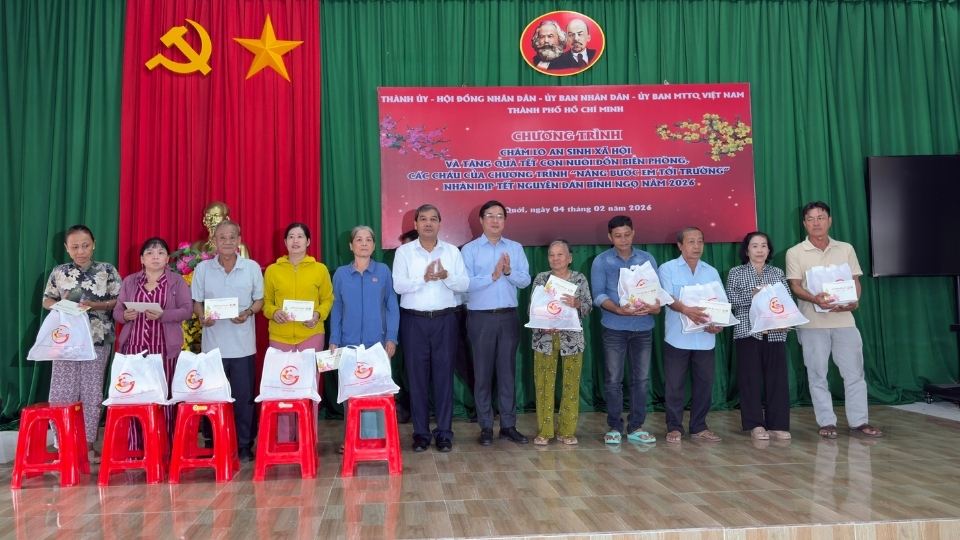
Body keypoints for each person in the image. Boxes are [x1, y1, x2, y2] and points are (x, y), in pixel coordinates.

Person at [785, 201, 882, 439]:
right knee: (817, 374)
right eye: (810, 219)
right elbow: (795, 286)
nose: (816, 223)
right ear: (804, 223)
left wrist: (854, 301)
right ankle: (826, 422)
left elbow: (855, 281)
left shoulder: (845, 248)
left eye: (821, 217)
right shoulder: (795, 252)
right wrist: (815, 299)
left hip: (844, 321)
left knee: (855, 374)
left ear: (829, 220)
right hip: (812, 323)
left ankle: (859, 422)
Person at [41, 224, 122, 459]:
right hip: (65, 340)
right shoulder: (59, 272)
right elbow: (47, 300)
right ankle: (62, 443)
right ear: (67, 248)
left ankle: (87, 444)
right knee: (61, 391)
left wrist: (95, 305)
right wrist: (62, 306)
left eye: (85, 245)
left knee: (92, 391)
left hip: (97, 337)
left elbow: (119, 300)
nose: (80, 251)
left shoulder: (107, 270)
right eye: (75, 247)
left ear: (93, 245)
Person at [393, 205, 468, 452]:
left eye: (433, 219)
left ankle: (444, 433)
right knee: (416, 379)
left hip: (445, 321)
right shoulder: (404, 252)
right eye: (423, 219)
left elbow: (464, 284)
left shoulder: (452, 252)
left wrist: (446, 276)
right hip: (414, 322)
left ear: (439, 224)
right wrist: (422, 279)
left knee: (444, 378)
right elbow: (398, 286)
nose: (428, 223)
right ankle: (421, 434)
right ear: (415, 224)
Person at [191, 220, 264, 461]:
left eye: (232, 237)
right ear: (214, 241)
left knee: (244, 399)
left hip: (243, 346)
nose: (227, 242)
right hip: (213, 348)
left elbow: (259, 300)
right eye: (222, 237)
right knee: (213, 397)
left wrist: (248, 312)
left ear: (239, 240)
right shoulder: (203, 269)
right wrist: (202, 316)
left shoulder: (251, 267)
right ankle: (214, 443)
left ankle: (244, 445)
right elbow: (197, 302)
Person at [461, 200, 532, 446]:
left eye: (500, 216)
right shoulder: (469, 250)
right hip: (480, 318)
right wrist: (491, 277)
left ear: (505, 221)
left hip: (508, 317)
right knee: (482, 374)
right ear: (481, 220)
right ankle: (485, 427)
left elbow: (525, 280)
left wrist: (509, 272)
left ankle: (508, 425)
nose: (495, 220)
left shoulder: (515, 248)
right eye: (490, 216)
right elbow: (465, 283)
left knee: (507, 373)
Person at [113, 237, 193, 443]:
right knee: (136, 396)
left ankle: (165, 446)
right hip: (135, 348)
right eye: (149, 253)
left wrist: (164, 315)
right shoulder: (130, 281)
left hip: (165, 349)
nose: (155, 256)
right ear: (142, 259)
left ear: (167, 259)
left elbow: (187, 310)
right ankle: (137, 446)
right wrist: (125, 316)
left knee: (164, 397)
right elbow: (117, 311)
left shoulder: (177, 282)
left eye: (160, 253)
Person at [590, 215, 661, 445]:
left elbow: (657, 293)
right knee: (613, 379)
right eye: (618, 236)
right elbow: (598, 295)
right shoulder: (601, 261)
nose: (623, 240)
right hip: (614, 327)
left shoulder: (647, 258)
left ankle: (636, 426)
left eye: (627, 235)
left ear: (634, 233)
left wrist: (655, 306)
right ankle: (614, 427)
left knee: (641, 380)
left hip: (643, 327)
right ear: (610, 237)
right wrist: (618, 310)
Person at [330, 226, 400, 452]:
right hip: (348, 345)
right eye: (358, 240)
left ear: (374, 245)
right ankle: (352, 438)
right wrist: (334, 339)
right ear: (351, 246)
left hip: (377, 345)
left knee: (376, 392)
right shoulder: (341, 274)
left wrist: (392, 338)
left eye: (368, 240)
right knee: (351, 393)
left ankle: (376, 439)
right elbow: (336, 308)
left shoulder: (383, 271)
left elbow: (392, 306)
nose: (363, 243)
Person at [262, 222, 333, 441]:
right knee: (283, 387)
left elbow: (328, 299)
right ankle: (285, 439)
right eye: (291, 237)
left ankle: (308, 438)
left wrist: (318, 315)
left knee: (308, 388)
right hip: (280, 337)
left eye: (300, 236)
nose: (295, 241)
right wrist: (274, 312)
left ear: (308, 241)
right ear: (285, 242)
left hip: (311, 335)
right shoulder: (273, 270)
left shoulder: (320, 269)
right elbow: (266, 303)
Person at [658, 227, 724, 444]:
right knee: (674, 385)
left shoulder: (711, 272)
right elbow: (667, 297)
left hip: (705, 338)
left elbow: (721, 303)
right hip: (677, 338)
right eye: (691, 242)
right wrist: (686, 310)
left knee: (704, 385)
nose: (696, 246)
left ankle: (699, 426)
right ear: (680, 245)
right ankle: (674, 427)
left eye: (700, 241)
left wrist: (718, 324)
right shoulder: (667, 269)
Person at [725, 232, 792, 441]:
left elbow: (787, 300)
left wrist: (785, 321)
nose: (760, 250)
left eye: (764, 246)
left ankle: (778, 424)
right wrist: (753, 294)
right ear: (747, 250)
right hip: (747, 332)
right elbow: (730, 300)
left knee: (777, 380)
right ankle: (755, 424)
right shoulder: (736, 272)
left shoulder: (777, 273)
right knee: (750, 380)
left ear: (769, 250)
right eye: (755, 246)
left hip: (775, 333)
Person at [531, 239, 592, 446]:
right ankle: (545, 431)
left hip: (572, 340)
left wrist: (577, 303)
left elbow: (588, 306)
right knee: (543, 385)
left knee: (571, 385)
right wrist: (543, 324)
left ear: (569, 258)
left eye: (560, 254)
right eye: (551, 254)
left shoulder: (579, 279)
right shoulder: (541, 278)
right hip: (544, 339)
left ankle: (567, 431)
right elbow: (533, 308)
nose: (555, 258)